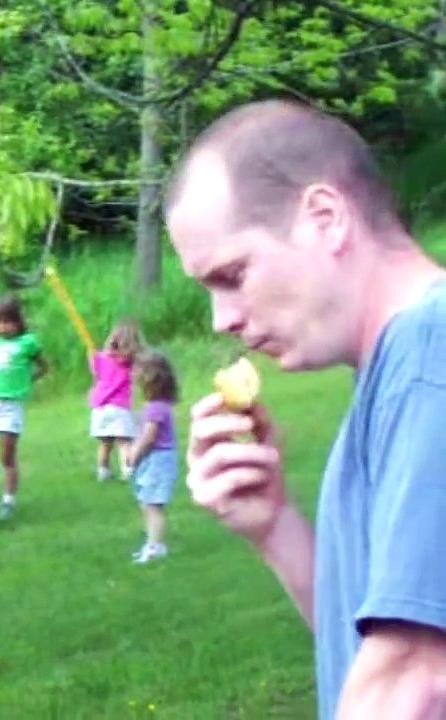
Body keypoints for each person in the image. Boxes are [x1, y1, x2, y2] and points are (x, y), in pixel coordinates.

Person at [165, 98, 446, 719]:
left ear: (325, 217)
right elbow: (370, 654)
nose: (222, 319)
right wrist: (273, 527)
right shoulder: (393, 375)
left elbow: (418, 683)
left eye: (232, 275)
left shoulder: (431, 355)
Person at [0, 294, 47, 519]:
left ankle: (8, 499)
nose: (3, 327)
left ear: (18, 321)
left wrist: (26, 382)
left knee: (7, 454)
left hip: (11, 406)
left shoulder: (28, 343)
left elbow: (43, 367)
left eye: (8, 322)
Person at [123, 349, 179, 564]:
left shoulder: (155, 408)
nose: (133, 374)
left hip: (157, 460)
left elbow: (149, 437)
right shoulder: (154, 406)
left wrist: (134, 453)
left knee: (152, 504)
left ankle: (155, 546)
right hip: (154, 459)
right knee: (147, 502)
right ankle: (152, 543)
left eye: (137, 370)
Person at [88, 321, 144, 482]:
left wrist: (92, 355)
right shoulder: (130, 364)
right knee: (124, 442)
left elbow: (95, 371)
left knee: (105, 443)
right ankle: (128, 470)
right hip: (120, 408)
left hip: (100, 408)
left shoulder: (101, 358)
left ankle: (103, 471)